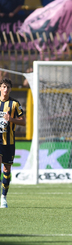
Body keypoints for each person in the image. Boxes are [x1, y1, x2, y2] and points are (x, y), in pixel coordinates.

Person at [0, 78, 26, 208]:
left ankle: (3, 197)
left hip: (9, 142)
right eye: (4, 87)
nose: (6, 90)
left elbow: (23, 122)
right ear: (0, 88)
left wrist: (11, 119)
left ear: (10, 89)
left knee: (6, 169)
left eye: (8, 87)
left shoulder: (15, 104)